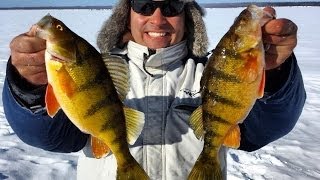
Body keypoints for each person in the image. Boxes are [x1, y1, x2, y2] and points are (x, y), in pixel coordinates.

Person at [3, 0, 306, 179]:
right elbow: (50, 135)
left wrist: (275, 75)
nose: (158, 18)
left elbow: (263, 128)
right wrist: (29, 88)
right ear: (128, 13)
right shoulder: (102, 72)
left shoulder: (212, 73)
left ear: (188, 14)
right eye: (145, 4)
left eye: (171, 5)